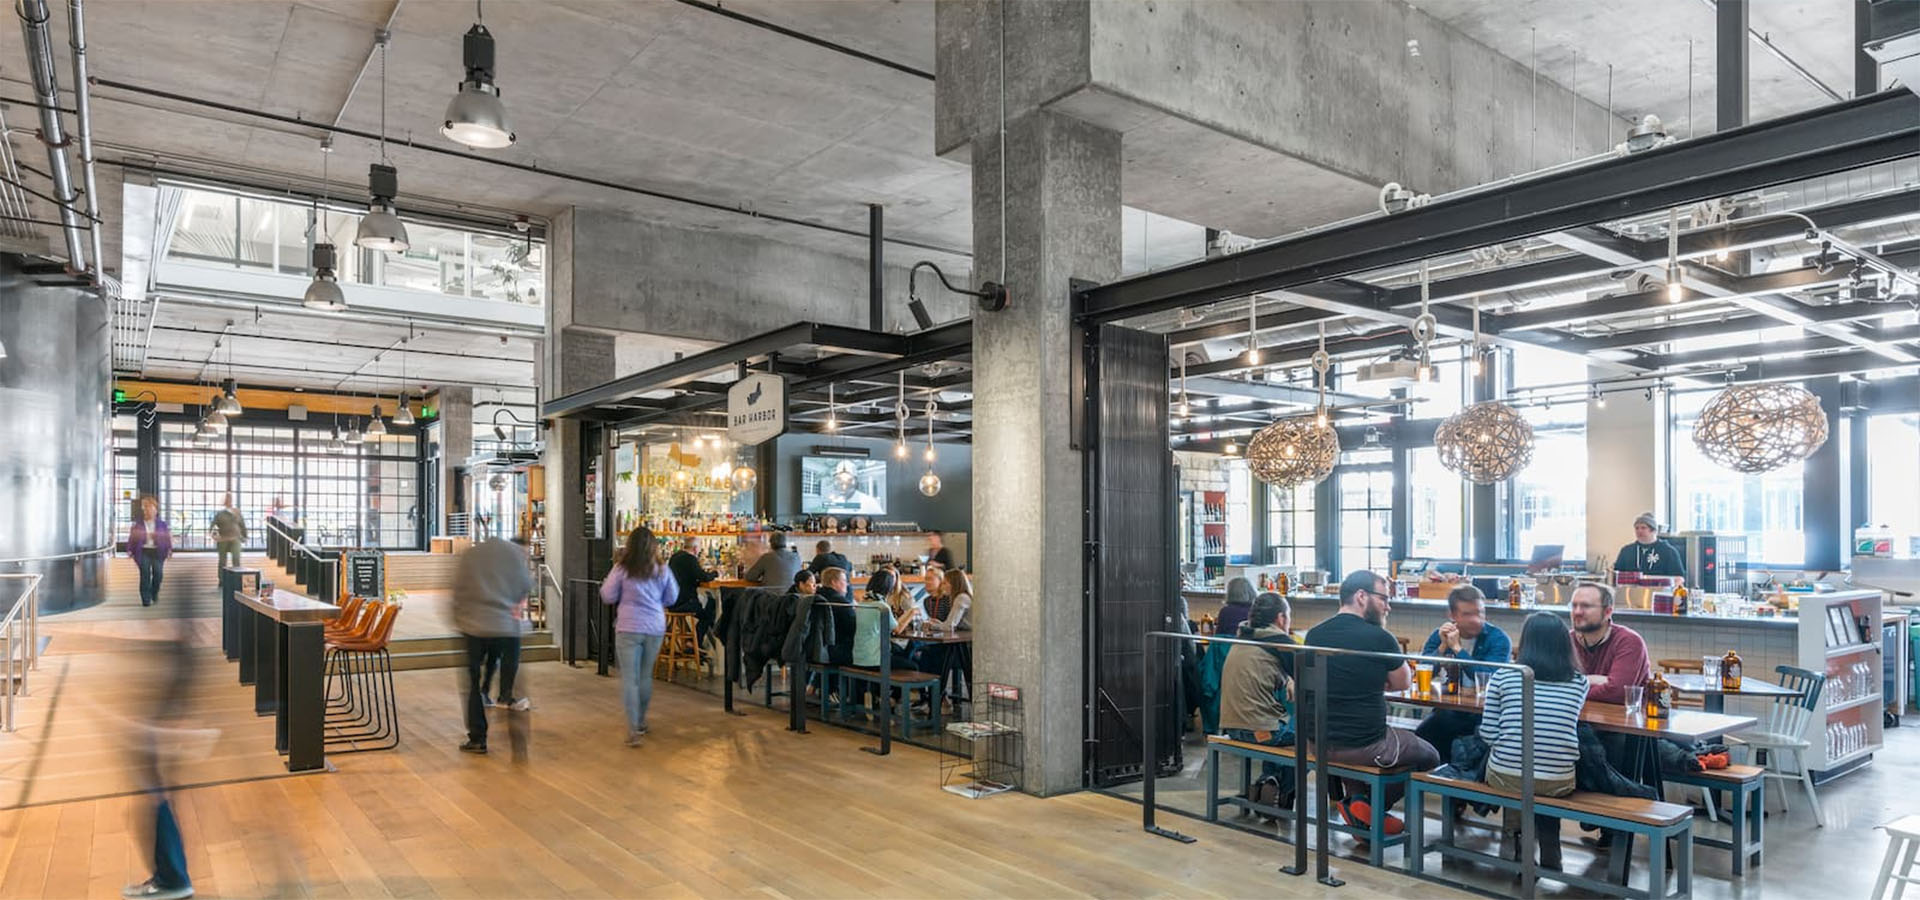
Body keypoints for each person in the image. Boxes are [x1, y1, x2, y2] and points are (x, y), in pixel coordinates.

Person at [1303, 570, 1438, 838]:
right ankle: (1368, 805)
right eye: (1384, 599)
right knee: (1430, 754)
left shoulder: (1314, 635)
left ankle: (1360, 809)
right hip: (1366, 745)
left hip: (1318, 742)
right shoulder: (1380, 637)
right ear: (1361, 596)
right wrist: (1379, 677)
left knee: (1356, 751)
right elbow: (1402, 682)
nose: (1388, 606)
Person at [1478, 612, 1589, 871]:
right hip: (1558, 780)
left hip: (1505, 776)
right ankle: (1550, 845)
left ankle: (1515, 844)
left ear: (1525, 642)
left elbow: (1488, 734)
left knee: (1515, 768)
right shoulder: (1579, 682)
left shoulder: (1503, 676)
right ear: (1565, 644)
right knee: (1540, 769)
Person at [452, 537, 533, 754]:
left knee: (472, 683)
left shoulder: (470, 556)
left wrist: (460, 618)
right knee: (511, 682)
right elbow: (526, 585)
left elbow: (458, 590)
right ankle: (518, 740)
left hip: (474, 627)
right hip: (508, 626)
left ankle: (478, 737)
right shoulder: (514, 555)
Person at [1415, 585, 1512, 764]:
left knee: (1446, 732)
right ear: (1452, 615)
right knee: (1421, 738)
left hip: (1484, 715)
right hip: (1448, 710)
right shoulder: (1440, 635)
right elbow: (1424, 671)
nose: (1476, 619)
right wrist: (1443, 648)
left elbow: (1488, 677)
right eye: (1468, 614)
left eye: (1480, 613)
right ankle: (1436, 781)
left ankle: (1453, 782)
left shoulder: (1498, 638)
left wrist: (1458, 650)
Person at [1217, 593, 1297, 808]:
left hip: (1230, 727)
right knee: (1309, 738)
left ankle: (1267, 781)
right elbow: (1310, 680)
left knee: (1279, 725)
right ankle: (1284, 792)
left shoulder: (1244, 635)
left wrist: (1288, 678)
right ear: (1281, 618)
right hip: (1260, 731)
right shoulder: (1279, 641)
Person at [600, 526, 675, 747]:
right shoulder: (662, 569)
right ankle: (642, 721)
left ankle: (633, 728)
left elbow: (606, 594)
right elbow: (672, 596)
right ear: (653, 545)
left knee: (630, 680)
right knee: (645, 677)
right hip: (654, 627)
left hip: (628, 627)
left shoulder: (622, 568)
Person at [1567, 582, 1649, 706]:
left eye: (1586, 606)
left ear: (1607, 612)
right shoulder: (1567, 640)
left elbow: (1618, 692)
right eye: (1574, 606)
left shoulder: (1629, 642)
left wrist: (1574, 688)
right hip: (1577, 719)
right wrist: (1597, 681)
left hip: (1620, 722)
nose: (1577, 612)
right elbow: (1552, 687)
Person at [667, 536, 718, 639]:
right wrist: (715, 573)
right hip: (685, 603)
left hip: (672, 602)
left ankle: (691, 642)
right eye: (699, 548)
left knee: (705, 605)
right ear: (695, 548)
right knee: (709, 612)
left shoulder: (674, 557)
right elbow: (703, 577)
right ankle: (694, 643)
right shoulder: (690, 559)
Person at [126, 496, 172, 607]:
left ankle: (154, 593)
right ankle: (145, 599)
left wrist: (169, 549)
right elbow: (132, 538)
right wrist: (129, 550)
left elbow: (167, 538)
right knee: (145, 574)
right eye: (146, 509)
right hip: (143, 551)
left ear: (156, 510)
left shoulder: (162, 524)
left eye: (152, 509)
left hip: (158, 552)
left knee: (158, 574)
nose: (149, 511)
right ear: (144, 510)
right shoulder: (138, 524)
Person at [1611, 512, 1685, 578]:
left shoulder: (1669, 551)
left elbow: (1678, 578)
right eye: (1637, 528)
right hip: (1630, 590)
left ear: (1654, 531)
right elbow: (1617, 575)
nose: (1639, 531)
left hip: (1660, 590)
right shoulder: (1626, 551)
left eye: (1643, 528)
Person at [816, 566, 857, 667]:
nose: (847, 584)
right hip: (839, 651)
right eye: (844, 580)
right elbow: (854, 628)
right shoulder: (840, 603)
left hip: (818, 650)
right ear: (834, 582)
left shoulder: (816, 598)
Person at [210, 494, 245, 571]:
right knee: (222, 561)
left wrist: (244, 536)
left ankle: (236, 579)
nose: (229, 501)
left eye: (230, 499)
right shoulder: (220, 514)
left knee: (236, 559)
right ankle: (222, 580)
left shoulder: (236, 512)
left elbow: (242, 524)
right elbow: (213, 526)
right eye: (227, 499)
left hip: (235, 538)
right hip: (223, 539)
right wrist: (215, 535)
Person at [931, 567, 972, 631]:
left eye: (945, 583)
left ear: (953, 584)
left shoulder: (962, 598)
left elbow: (950, 627)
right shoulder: (962, 596)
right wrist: (940, 624)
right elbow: (951, 624)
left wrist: (930, 626)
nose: (942, 587)